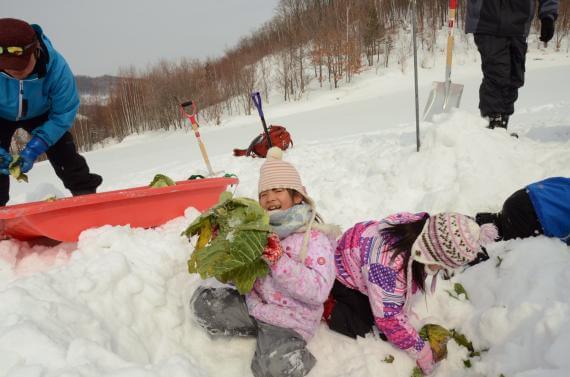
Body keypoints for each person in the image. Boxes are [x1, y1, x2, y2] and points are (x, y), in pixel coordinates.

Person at [191, 147, 340, 377]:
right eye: (264, 193)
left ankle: (288, 351)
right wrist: (228, 245)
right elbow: (243, 273)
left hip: (290, 321)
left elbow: (318, 291)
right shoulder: (259, 230)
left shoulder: (313, 238)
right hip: (256, 306)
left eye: (278, 190)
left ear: (297, 196)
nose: (270, 197)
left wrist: (279, 260)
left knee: (272, 370)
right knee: (202, 305)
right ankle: (258, 332)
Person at [323, 212, 498, 375]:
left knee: (386, 303)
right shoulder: (387, 268)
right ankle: (328, 306)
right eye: (442, 266)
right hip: (341, 276)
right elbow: (388, 320)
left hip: (361, 262)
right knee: (368, 324)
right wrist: (422, 352)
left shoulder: (418, 229)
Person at [0, 18, 102, 206]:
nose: (15, 72)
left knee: (64, 150)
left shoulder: (57, 69)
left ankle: (85, 196)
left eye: (21, 65)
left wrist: (37, 146)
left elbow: (64, 112)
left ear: (36, 49)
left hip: (42, 112)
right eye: (8, 67)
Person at [465, 0, 559, 130]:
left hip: (519, 23)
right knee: (497, 73)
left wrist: (548, 15)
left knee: (515, 77)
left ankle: (502, 125)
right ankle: (493, 121)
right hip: (487, 18)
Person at [476, 177, 570, 245]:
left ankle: (470, 226)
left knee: (499, 221)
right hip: (534, 217)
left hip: (524, 195)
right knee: (495, 234)